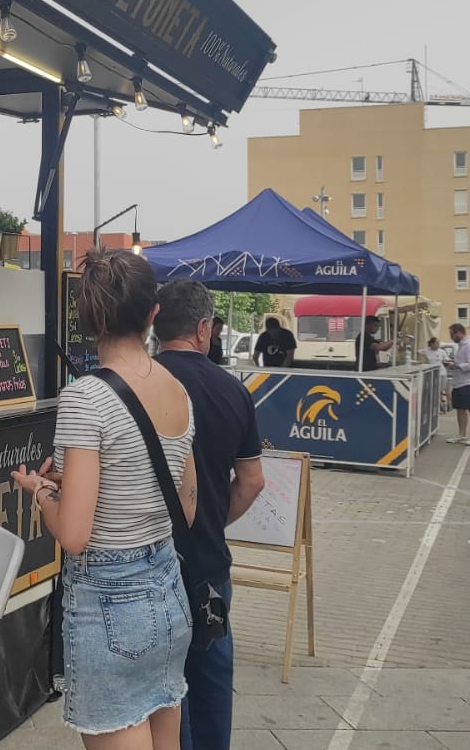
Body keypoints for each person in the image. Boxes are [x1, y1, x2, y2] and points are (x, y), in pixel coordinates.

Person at [9, 248, 196, 747]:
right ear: (153, 313)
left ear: (90, 318)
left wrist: (42, 492)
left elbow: (74, 535)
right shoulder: (177, 389)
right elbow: (188, 504)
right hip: (169, 591)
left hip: (111, 604)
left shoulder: (85, 398)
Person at [152, 280, 265, 750]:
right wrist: (213, 518)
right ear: (204, 328)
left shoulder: (136, 384)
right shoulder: (232, 390)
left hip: (148, 564)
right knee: (211, 677)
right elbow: (253, 481)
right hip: (209, 568)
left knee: (160, 687)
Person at [445, 323, 470, 444]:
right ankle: (461, 434)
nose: (451, 338)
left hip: (468, 382)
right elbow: (463, 361)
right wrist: (453, 362)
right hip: (458, 382)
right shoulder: (461, 345)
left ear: (459, 333)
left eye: (452, 335)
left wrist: (456, 365)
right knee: (460, 409)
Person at [422, 338, 451, 412]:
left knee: (439, 390)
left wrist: (447, 364)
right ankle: (438, 406)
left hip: (442, 373)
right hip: (432, 374)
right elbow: (416, 352)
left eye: (439, 343)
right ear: (431, 344)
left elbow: (447, 360)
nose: (438, 345)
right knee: (434, 391)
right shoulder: (426, 351)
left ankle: (441, 406)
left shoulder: (442, 352)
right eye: (437, 343)